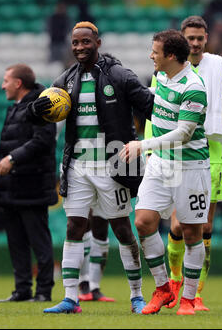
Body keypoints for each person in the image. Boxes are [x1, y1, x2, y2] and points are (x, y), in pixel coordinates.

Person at [27, 21, 154, 314]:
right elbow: (36, 114)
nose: (79, 47)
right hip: (78, 167)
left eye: (85, 42)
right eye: (75, 43)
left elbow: (149, 105)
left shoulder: (119, 74)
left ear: (98, 42)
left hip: (112, 165)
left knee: (122, 229)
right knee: (74, 226)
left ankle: (137, 295)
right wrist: (37, 109)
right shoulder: (65, 80)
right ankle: (71, 298)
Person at [145, 15, 222, 311]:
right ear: (181, 38)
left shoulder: (221, 70)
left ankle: (197, 294)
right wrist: (151, 149)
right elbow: (156, 111)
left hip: (212, 154)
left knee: (204, 228)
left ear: (206, 39)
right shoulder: (165, 69)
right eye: (189, 38)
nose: (194, 43)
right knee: (178, 225)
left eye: (199, 38)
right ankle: (176, 279)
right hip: (175, 153)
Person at [120, 29, 211, 315]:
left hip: (191, 166)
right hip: (160, 163)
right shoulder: (160, 77)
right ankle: (162, 288)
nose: (151, 56)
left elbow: (184, 133)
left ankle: (188, 298)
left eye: (155, 52)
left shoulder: (194, 87)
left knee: (192, 232)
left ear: (171, 55)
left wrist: (142, 144)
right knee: (144, 222)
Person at [0, 64, 58, 302]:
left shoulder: (42, 107)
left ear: (18, 83)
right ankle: (22, 290)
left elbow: (43, 141)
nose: (2, 85)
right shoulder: (14, 109)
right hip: (12, 188)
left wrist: (12, 159)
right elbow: (11, 146)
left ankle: (43, 292)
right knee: (16, 241)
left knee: (38, 241)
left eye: (6, 80)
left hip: (32, 186)